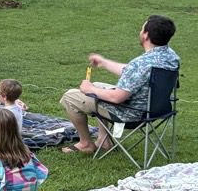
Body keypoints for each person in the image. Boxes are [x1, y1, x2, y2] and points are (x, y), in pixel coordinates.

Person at [60, 15, 179, 155]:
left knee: (69, 97)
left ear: (146, 35)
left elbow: (117, 98)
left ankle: (86, 143)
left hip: (131, 113)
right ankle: (104, 141)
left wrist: (90, 89)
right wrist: (103, 62)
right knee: (98, 85)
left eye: (142, 29)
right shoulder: (171, 56)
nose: (140, 32)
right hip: (156, 109)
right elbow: (132, 72)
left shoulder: (141, 64)